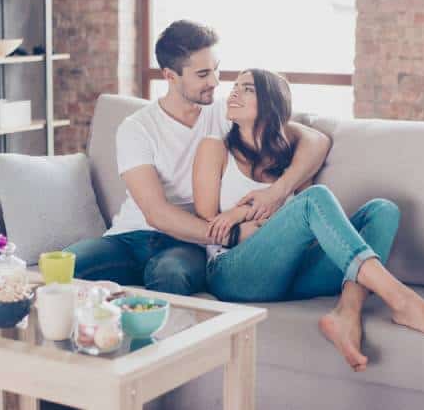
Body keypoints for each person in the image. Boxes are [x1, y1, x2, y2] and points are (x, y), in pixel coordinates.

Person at [192, 68, 424, 372]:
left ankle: (347, 312)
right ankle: (402, 300)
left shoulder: (292, 158)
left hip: (292, 274)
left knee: (383, 210)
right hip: (234, 273)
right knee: (315, 198)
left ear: (272, 103)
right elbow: (209, 225)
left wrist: (265, 207)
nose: (233, 93)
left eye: (247, 89)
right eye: (234, 87)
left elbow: (304, 225)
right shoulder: (214, 147)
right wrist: (245, 215)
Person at [64, 21, 331, 296]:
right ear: (170, 76)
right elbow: (156, 214)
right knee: (64, 264)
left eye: (215, 69)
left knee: (170, 274)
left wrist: (278, 191)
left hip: (189, 243)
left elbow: (316, 141)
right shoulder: (137, 128)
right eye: (203, 74)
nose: (215, 82)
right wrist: (234, 234)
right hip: (130, 236)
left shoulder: (228, 115)